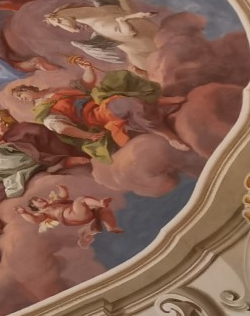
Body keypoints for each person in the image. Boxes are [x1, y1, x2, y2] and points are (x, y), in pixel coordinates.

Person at [10, 57, 189, 160]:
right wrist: (87, 136)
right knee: (125, 104)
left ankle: (160, 98)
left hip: (99, 99)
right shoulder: (42, 110)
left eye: (21, 93)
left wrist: (88, 69)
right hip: (95, 114)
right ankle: (167, 134)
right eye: (19, 98)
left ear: (29, 88)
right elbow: (60, 127)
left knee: (117, 79)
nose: (22, 98)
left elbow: (86, 84)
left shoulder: (55, 90)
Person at [16, 185, 123, 247]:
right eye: (36, 201)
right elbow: (34, 220)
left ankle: (111, 227)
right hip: (71, 216)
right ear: (35, 207)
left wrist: (63, 189)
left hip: (81, 213)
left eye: (39, 198)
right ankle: (100, 203)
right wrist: (23, 213)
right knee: (81, 200)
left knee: (105, 211)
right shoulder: (44, 213)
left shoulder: (55, 202)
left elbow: (64, 196)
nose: (40, 199)